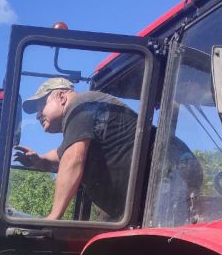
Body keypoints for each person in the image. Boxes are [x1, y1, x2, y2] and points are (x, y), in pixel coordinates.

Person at [14, 77, 139, 221]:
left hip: (155, 195)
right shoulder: (86, 111)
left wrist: (53, 218)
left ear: (61, 97)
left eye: (42, 106)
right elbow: (62, 156)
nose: (37, 115)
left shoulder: (81, 106)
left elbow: (73, 159)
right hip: (135, 207)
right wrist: (40, 161)